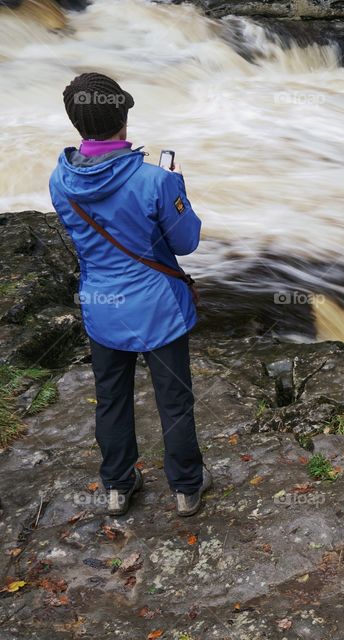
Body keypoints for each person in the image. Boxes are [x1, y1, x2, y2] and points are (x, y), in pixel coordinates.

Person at [49, 72, 211, 517]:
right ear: (123, 117)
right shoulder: (154, 180)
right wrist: (177, 190)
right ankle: (186, 488)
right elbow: (186, 242)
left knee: (111, 397)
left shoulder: (60, 181)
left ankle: (118, 486)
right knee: (174, 400)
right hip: (159, 308)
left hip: (102, 306)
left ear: (76, 124)